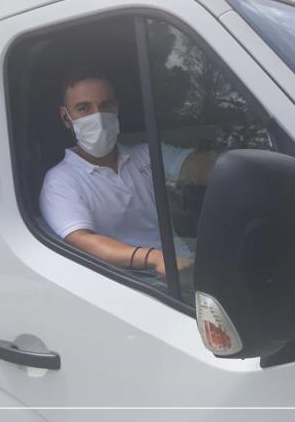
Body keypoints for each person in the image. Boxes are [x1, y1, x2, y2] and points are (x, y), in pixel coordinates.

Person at [39, 68, 217, 276]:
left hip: (183, 259)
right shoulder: (60, 181)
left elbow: (199, 168)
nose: (97, 116)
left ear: (117, 108)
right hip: (139, 279)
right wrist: (156, 259)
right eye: (83, 108)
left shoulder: (147, 154)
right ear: (66, 118)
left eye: (106, 105)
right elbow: (82, 240)